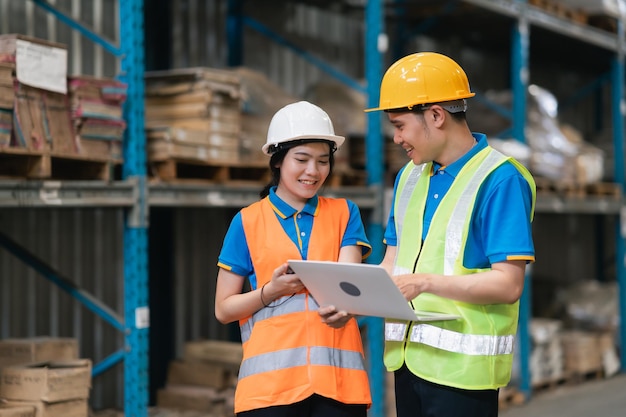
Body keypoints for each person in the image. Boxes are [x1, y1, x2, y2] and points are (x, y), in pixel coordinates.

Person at [365, 52, 536, 417]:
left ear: (436, 115)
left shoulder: (500, 180)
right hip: (408, 365)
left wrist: (424, 283)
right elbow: (394, 263)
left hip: (464, 376)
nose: (395, 139)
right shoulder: (409, 178)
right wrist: (349, 294)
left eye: (399, 125)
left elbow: (508, 285)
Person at [214, 100, 373, 417]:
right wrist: (269, 292)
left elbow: (348, 285)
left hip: (338, 386)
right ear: (277, 161)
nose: (313, 171)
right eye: (302, 159)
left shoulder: (345, 214)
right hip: (270, 390)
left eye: (323, 161)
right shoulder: (247, 222)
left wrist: (346, 304)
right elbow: (223, 309)